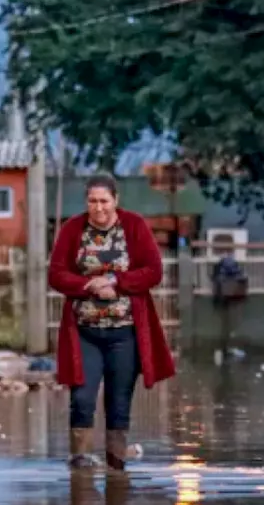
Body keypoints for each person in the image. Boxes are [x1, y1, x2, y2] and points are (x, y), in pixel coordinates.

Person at [50, 173, 176, 469]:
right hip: (85, 332)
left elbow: (153, 271)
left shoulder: (134, 226)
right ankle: (80, 457)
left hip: (125, 333)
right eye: (92, 201)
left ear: (116, 200)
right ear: (86, 202)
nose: (98, 207)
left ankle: (116, 458)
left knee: (119, 401)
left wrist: (116, 281)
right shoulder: (72, 229)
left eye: (104, 201)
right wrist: (88, 284)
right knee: (82, 397)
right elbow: (56, 273)